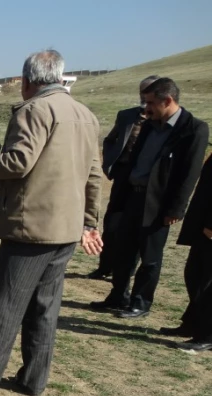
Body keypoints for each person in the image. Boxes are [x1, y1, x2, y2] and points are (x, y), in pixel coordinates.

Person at [0, 50, 103, 396]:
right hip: (65, 230)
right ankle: (33, 379)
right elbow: (94, 175)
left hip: (31, 229)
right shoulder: (86, 114)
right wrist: (88, 222)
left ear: (28, 81)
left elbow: (18, 161)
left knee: (4, 306)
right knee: (44, 308)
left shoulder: (35, 110)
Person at [90, 77, 208, 319]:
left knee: (150, 257)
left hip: (159, 204)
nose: (146, 108)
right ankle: (118, 296)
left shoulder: (193, 129)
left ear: (168, 100)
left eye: (150, 103)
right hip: (132, 196)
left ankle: (140, 302)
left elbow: (189, 173)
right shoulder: (149, 125)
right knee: (123, 251)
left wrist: (176, 209)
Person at [88, 76, 160, 280]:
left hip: (146, 182)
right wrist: (110, 165)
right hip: (123, 177)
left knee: (134, 231)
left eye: (148, 92)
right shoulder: (127, 116)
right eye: (142, 91)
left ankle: (124, 273)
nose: (143, 96)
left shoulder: (161, 122)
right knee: (111, 225)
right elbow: (110, 140)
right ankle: (105, 267)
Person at [165, 154, 212, 352]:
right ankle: (193, 323)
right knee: (194, 274)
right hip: (203, 225)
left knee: (207, 282)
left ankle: (207, 335)